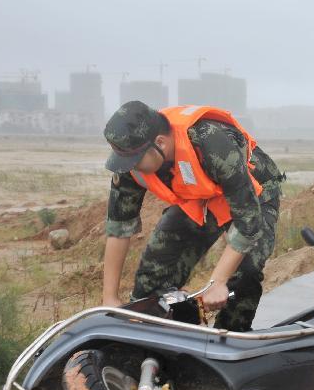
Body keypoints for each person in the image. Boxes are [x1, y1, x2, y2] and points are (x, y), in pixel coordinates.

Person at [101, 100, 282, 331]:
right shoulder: (130, 162)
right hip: (200, 197)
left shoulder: (210, 141)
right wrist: (110, 298)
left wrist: (218, 282)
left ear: (160, 143)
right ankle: (160, 342)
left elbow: (248, 222)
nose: (130, 168)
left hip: (254, 193)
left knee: (244, 273)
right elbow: (119, 228)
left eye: (135, 161)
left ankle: (231, 341)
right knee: (153, 275)